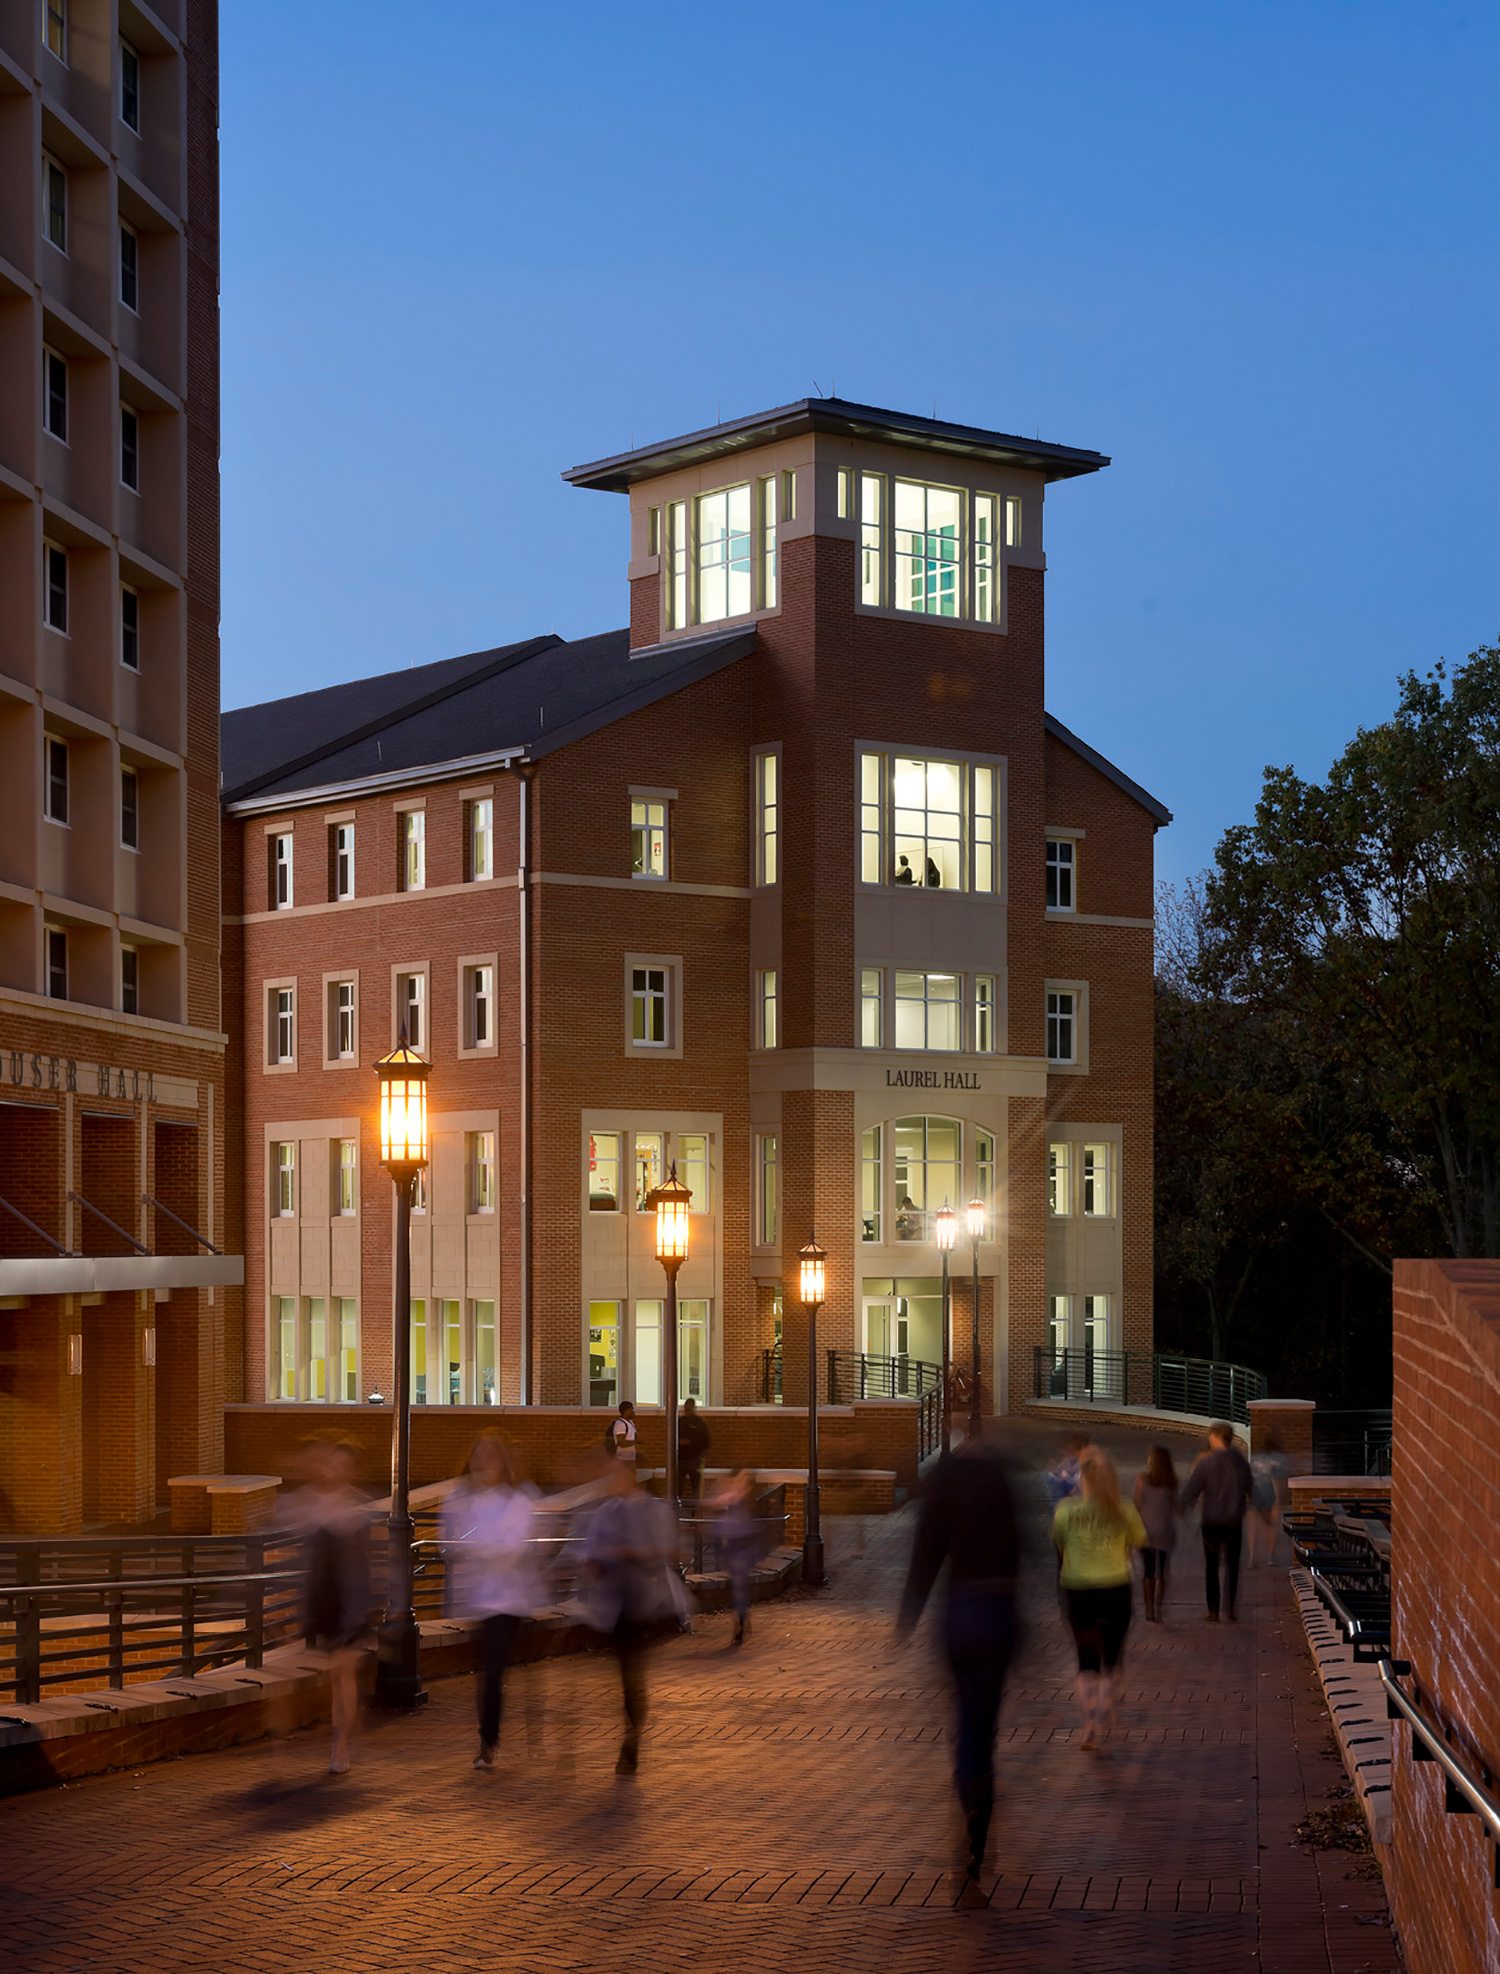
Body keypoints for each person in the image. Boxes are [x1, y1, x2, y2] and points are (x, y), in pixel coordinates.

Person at [897, 1431, 1022, 1901]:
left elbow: (926, 1553)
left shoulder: (946, 1480)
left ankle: (967, 1799)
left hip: (960, 1614)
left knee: (965, 1726)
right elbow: (1019, 1552)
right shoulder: (1000, 1480)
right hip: (996, 1612)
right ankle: (976, 1841)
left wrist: (908, 1615)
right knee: (982, 1726)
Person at [581, 1457, 686, 1773]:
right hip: (613, 1601)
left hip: (643, 1601)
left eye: (616, 1475)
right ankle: (630, 1728)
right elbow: (589, 1552)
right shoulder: (604, 1513)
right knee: (625, 1670)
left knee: (631, 1672)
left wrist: (633, 1553)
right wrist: (593, 1564)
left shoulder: (653, 1510)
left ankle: (632, 1736)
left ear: (630, 1476)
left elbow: (672, 1551)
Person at [442, 1434, 540, 1770]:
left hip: (508, 1599)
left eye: (490, 1456)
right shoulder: (464, 1498)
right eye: (478, 1455)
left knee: (492, 1671)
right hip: (479, 1598)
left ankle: (489, 1741)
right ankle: (489, 1737)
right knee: (486, 1671)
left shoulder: (516, 1500)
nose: (482, 1462)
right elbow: (450, 1538)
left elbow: (512, 1548)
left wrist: (477, 1549)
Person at [1051, 1446, 1146, 1751]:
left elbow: (1060, 1544)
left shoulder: (1065, 1509)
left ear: (1082, 1479)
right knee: (1113, 1657)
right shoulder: (1125, 1508)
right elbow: (1138, 1541)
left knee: (1085, 1660)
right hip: (1115, 1586)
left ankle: (1089, 1723)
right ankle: (1107, 1702)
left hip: (1077, 1589)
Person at [289, 1437, 372, 1776]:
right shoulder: (309, 1504)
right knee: (332, 1674)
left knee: (343, 1674)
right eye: (327, 1463)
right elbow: (303, 1559)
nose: (331, 1470)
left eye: (339, 1464)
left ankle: (340, 1747)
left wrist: (359, 1610)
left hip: (348, 1602)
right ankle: (344, 1736)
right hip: (321, 1600)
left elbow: (362, 1567)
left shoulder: (355, 1507)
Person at [1180, 1421, 1254, 1621]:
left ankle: (1213, 1610)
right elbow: (1250, 1488)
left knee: (1211, 1566)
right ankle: (1230, 1609)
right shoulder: (1240, 1461)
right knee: (1232, 1565)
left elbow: (1192, 1490)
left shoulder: (1207, 1463)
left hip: (1212, 1520)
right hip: (1233, 1520)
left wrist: (1183, 1506)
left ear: (1216, 1437)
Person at [1132, 1444, 1179, 1623]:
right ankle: (1159, 1607)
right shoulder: (1172, 1482)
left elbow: (1136, 1503)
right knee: (1163, 1572)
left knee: (1148, 1571)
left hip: (1146, 1531)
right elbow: (1175, 1506)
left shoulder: (1142, 1479)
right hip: (1165, 1532)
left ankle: (1149, 1608)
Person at [714, 1468, 759, 1646]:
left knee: (739, 1585)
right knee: (736, 1585)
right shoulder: (731, 1495)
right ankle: (742, 1616)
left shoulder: (748, 1499)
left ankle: (739, 1624)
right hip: (731, 1546)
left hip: (743, 1546)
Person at [1248, 1432, 1290, 1567]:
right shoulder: (1279, 1458)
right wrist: (1278, 1499)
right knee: (1272, 1526)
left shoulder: (1255, 1458)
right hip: (1271, 1493)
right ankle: (1271, 1556)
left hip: (1254, 1491)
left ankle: (1251, 1557)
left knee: (1253, 1527)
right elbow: (1277, 1480)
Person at [677, 1397, 711, 1504]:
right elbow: (672, 1438)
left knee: (696, 1488)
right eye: (686, 1408)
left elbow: (707, 1441)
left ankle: (696, 1514)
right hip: (681, 1459)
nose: (687, 1410)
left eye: (689, 1407)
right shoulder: (680, 1421)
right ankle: (676, 1512)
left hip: (694, 1459)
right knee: (677, 1488)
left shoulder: (699, 1422)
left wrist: (699, 1453)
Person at [1045, 1431, 1090, 1505]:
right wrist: (1054, 1472)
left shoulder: (1084, 1462)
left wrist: (1066, 1477)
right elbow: (1059, 1472)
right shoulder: (1069, 1459)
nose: (1068, 1451)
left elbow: (1079, 1484)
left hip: (1077, 1496)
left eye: (1071, 1449)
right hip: (1068, 1491)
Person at [607, 1398, 637, 1465]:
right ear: (627, 1410)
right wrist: (637, 1441)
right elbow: (622, 1443)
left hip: (630, 1458)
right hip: (623, 1459)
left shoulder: (630, 1422)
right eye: (632, 1409)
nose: (634, 1411)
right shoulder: (620, 1424)